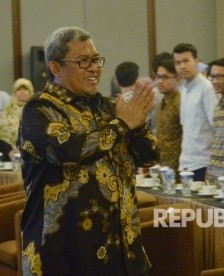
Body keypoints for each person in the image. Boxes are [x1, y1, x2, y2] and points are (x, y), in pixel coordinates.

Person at [18, 26, 158, 275]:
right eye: (83, 61)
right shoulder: (39, 109)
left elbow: (150, 156)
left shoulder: (110, 107)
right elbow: (69, 151)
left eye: (96, 60)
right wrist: (124, 124)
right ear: (55, 68)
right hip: (64, 251)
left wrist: (136, 126)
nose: (94, 68)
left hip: (121, 249)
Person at [173, 43, 218, 181]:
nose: (182, 66)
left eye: (186, 61)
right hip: (186, 163)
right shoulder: (183, 90)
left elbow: (216, 127)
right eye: (178, 62)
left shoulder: (206, 88)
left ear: (197, 62)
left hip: (203, 163)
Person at [152, 52, 182, 175]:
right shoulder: (162, 101)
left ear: (177, 79)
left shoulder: (181, 102)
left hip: (178, 167)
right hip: (163, 165)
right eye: (158, 77)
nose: (159, 81)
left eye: (164, 77)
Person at [0, 78, 34, 158]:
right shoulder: (7, 110)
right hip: (10, 153)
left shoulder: (36, 110)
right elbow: (1, 135)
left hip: (32, 154)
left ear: (30, 92)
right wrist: (10, 150)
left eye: (25, 89)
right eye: (19, 89)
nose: (22, 92)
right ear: (14, 93)